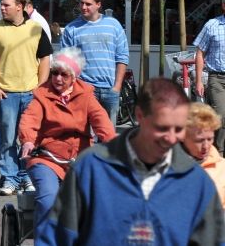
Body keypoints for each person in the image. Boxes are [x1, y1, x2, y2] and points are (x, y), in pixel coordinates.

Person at [44, 78, 225, 245]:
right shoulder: (91, 168)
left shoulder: (197, 182)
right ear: (139, 116)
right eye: (162, 128)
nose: (170, 138)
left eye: (178, 129)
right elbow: (56, 236)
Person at [17, 47, 115, 240]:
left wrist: (112, 144)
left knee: (93, 201)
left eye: (64, 75)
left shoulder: (86, 95)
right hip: (47, 157)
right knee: (48, 200)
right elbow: (29, 118)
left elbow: (101, 121)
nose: (58, 79)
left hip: (80, 159)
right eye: (54, 73)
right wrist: (28, 141)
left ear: (74, 77)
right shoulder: (42, 94)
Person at [0, 0, 52, 195]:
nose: (1, 8)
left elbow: (45, 58)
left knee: (29, 139)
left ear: (19, 7)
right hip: (6, 93)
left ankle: (27, 177)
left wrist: (41, 87)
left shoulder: (36, 29)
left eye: (6, 5)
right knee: (7, 139)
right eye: (2, 5)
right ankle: (9, 178)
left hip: (31, 92)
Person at [60, 0, 129, 126]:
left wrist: (117, 86)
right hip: (84, 91)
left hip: (110, 89)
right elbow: (66, 63)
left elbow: (122, 57)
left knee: (108, 138)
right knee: (86, 138)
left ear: (98, 4)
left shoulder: (113, 26)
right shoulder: (71, 29)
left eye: (88, 4)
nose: (83, 7)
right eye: (81, 3)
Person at [195, 0, 225, 152]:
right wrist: (199, 80)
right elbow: (200, 52)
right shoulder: (212, 25)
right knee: (221, 114)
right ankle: (218, 152)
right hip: (218, 79)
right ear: (223, 6)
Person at [181, 102, 225, 210]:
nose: (206, 146)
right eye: (199, 140)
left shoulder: (222, 167)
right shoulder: (167, 166)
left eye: (210, 139)